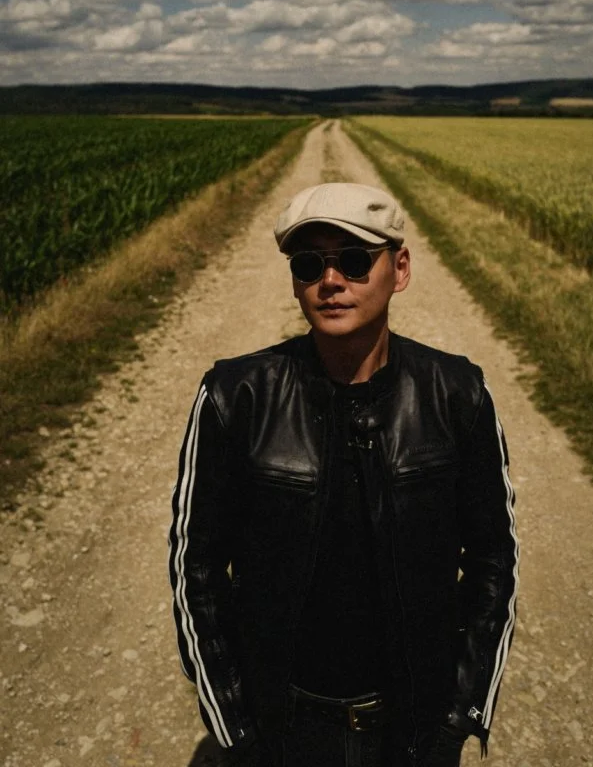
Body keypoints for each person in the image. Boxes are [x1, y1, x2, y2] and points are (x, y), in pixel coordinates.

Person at [169, 182, 519, 767]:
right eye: (308, 265)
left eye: (355, 261)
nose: (330, 281)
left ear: (399, 269)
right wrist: (236, 729)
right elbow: (194, 566)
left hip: (416, 728)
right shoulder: (236, 397)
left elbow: (494, 559)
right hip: (285, 730)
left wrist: (460, 716)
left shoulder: (457, 394)